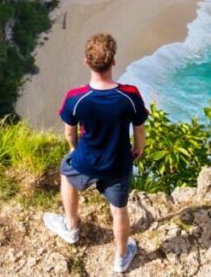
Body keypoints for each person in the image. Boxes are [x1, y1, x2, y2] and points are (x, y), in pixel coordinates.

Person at [43, 32, 148, 274]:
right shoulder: (130, 95)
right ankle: (121, 258)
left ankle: (71, 227)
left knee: (67, 173)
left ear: (86, 62)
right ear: (113, 61)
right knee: (119, 210)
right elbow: (139, 129)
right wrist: (138, 148)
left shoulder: (76, 98)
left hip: (86, 159)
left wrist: (74, 149)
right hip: (118, 162)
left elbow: (69, 133)